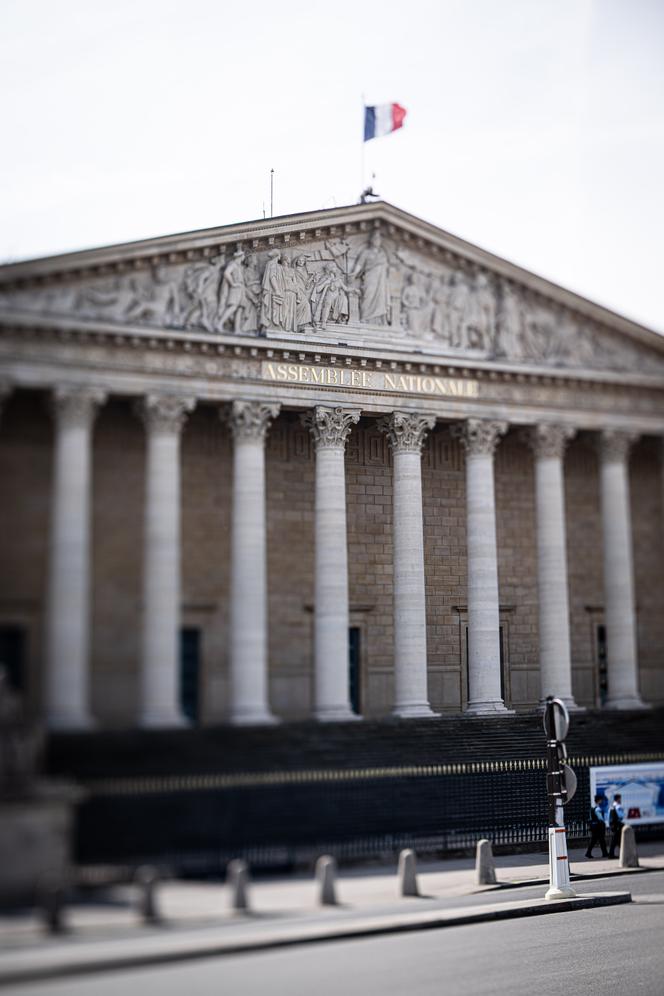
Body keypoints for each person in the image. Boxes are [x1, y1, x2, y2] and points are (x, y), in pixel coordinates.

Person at [585, 793, 609, 859]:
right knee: (601, 840)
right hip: (599, 827)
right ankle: (604, 853)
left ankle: (589, 853)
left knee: (595, 841)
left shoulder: (593, 808)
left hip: (595, 827)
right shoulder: (598, 809)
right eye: (601, 800)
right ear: (599, 800)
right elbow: (600, 818)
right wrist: (604, 821)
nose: (602, 801)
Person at [608, 793, 625, 858]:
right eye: (620, 799)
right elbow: (621, 816)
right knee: (615, 840)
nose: (621, 800)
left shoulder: (612, 806)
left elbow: (609, 816)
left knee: (618, 840)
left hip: (613, 825)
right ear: (618, 799)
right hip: (617, 825)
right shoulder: (618, 806)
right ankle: (611, 855)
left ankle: (622, 853)